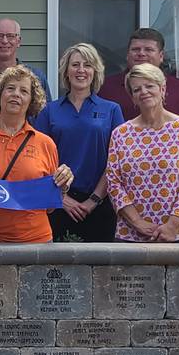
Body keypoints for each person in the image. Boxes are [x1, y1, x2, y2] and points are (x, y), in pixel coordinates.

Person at [0, 66, 74, 244]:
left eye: (24, 91)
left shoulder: (45, 143)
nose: (16, 94)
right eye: (10, 88)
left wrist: (62, 187)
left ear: (31, 101)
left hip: (36, 243)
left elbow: (49, 207)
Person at [33, 43, 124, 242]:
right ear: (66, 70)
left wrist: (94, 200)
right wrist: (62, 199)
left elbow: (117, 161)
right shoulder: (49, 111)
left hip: (100, 202)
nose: (81, 70)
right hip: (58, 202)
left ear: (95, 71)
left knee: (101, 268)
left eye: (87, 65)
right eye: (75, 65)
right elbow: (38, 160)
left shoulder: (112, 110)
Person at [106, 63, 179, 243]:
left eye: (149, 86)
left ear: (162, 89)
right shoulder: (120, 134)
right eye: (137, 89)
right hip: (132, 233)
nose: (144, 92)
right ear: (132, 97)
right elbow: (113, 182)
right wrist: (137, 222)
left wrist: (172, 226)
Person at [98, 27, 179, 167]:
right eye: (136, 49)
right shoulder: (106, 88)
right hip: (119, 178)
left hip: (169, 180)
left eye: (148, 49)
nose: (141, 54)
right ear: (127, 55)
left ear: (161, 56)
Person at [0, 18, 50, 96]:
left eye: (10, 36)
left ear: (18, 41)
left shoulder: (36, 77)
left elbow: (46, 108)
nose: (4, 41)